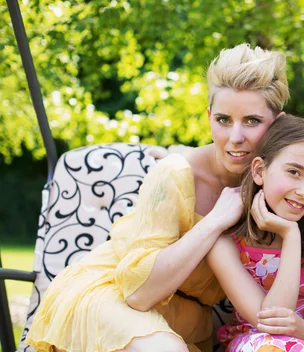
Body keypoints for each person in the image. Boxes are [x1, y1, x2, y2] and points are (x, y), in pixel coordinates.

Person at [25, 43, 289, 352]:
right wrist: (216, 221)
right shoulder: (176, 174)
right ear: (208, 117)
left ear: (278, 123)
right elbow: (139, 293)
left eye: (252, 121)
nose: (235, 138)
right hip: (111, 295)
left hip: (186, 321)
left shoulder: (278, 185)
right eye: (223, 120)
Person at [207, 115, 304, 352]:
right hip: (256, 345)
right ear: (259, 171)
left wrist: (302, 329)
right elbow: (270, 324)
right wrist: (291, 236)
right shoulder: (226, 239)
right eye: (294, 172)